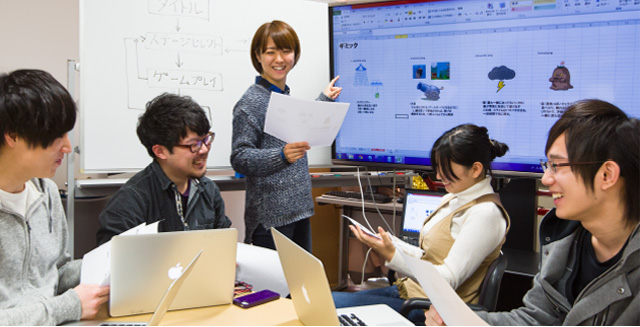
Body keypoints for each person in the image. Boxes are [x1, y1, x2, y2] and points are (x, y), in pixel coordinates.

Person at [425, 99, 640, 326]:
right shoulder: (562, 242)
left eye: (557, 166)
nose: (546, 179)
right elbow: (535, 320)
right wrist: (459, 320)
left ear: (607, 175)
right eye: (546, 166)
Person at [332, 124, 510, 324]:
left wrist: (392, 255)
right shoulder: (455, 197)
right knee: (327, 301)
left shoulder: (485, 214)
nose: (440, 177)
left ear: (476, 169)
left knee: (329, 306)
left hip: (431, 311)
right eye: (438, 168)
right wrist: (393, 244)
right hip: (412, 293)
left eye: (447, 170)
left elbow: (447, 281)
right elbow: (428, 257)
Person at [0, 69, 110, 324]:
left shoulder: (46, 192)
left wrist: (107, 265)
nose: (68, 147)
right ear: (13, 134)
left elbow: (54, 276)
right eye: (57, 135)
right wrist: (69, 306)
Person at [230, 20, 342, 252]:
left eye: (286, 51)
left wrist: (324, 99)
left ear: (295, 55)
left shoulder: (282, 97)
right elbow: (240, 157)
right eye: (271, 52)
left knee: (299, 286)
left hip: (298, 210)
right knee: (276, 289)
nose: (279, 59)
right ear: (258, 56)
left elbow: (298, 134)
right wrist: (280, 156)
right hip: (270, 219)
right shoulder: (250, 103)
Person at [97, 93, 231, 245]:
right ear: (160, 151)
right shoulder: (131, 201)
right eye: (194, 144)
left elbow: (224, 244)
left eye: (206, 139)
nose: (204, 150)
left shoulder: (208, 190)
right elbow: (113, 261)